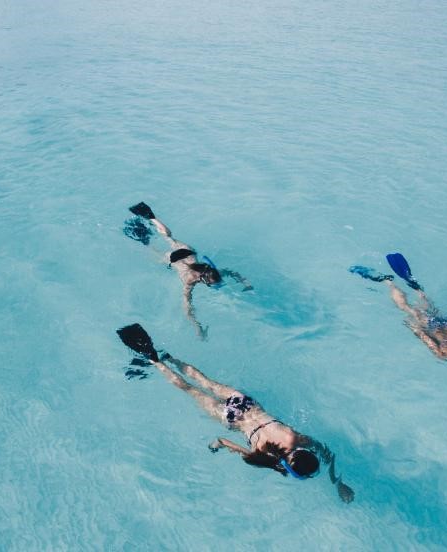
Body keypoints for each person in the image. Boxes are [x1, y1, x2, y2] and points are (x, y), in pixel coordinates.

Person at [116, 323, 355, 503]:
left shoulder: (294, 438)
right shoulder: (263, 455)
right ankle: (155, 361)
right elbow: (222, 442)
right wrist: (338, 483)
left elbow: (326, 453)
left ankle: (169, 357)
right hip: (231, 419)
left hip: (246, 404)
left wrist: (332, 476)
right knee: (188, 389)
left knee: (203, 381)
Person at [126, 202, 252, 339]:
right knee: (153, 252)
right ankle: (143, 239)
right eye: (209, 284)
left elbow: (231, 272)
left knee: (169, 238)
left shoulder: (209, 270)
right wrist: (197, 327)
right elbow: (187, 306)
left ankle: (151, 218)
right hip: (172, 260)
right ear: (202, 280)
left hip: (188, 252)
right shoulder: (190, 280)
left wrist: (246, 283)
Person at [350, 253, 447, 370]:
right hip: (431, 325)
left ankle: (413, 286)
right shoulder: (443, 354)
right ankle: (388, 282)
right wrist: (414, 328)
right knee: (406, 308)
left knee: (423, 298)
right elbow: (426, 339)